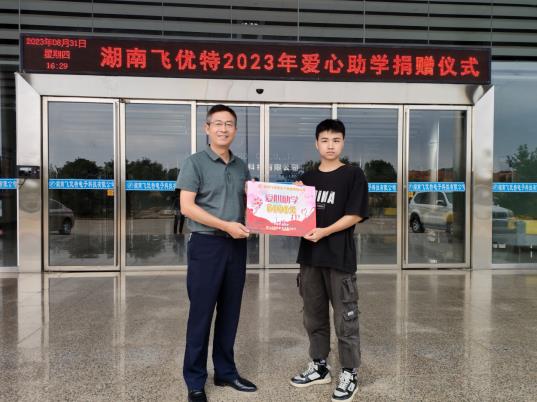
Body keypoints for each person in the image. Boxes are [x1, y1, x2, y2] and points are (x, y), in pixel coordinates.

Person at [177, 104, 257, 402]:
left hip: (236, 246)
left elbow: (255, 200)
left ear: (235, 130)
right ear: (207, 128)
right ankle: (195, 381)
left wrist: (292, 195)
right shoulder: (194, 163)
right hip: (206, 244)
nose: (224, 129)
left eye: (229, 124)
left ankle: (225, 372)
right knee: (201, 314)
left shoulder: (240, 166)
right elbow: (187, 207)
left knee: (230, 312)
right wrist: (225, 225)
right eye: (218, 123)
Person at [290, 119, 368, 402]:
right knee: (313, 315)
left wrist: (325, 231)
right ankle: (319, 366)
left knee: (346, 317)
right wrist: (293, 197)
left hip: (339, 258)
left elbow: (355, 214)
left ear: (343, 143)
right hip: (310, 258)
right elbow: (296, 217)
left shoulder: (353, 175)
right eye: (324, 140)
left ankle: (349, 372)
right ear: (316, 144)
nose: (330, 145)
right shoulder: (308, 178)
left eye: (336, 140)